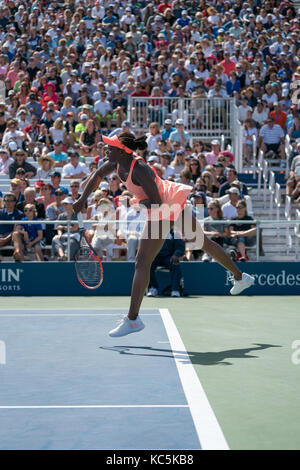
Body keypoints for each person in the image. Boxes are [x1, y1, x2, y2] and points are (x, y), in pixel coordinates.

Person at [73, 132, 255, 337]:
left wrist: (139, 202)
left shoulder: (140, 169)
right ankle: (241, 277)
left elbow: (157, 203)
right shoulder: (115, 163)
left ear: (122, 151)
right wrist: (82, 199)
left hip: (164, 206)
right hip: (171, 200)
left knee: (142, 262)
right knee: (203, 242)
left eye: (111, 147)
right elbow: (97, 175)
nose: (106, 149)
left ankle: (132, 320)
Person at [147, 228, 185, 298]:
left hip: (168, 257)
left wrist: (176, 255)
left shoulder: (175, 233)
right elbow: (147, 246)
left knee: (175, 264)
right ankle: (153, 288)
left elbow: (180, 247)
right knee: (148, 264)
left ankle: (175, 290)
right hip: (155, 256)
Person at [51, 197, 80, 261]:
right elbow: (59, 228)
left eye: (66, 204)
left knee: (71, 241)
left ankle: (66, 256)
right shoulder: (61, 216)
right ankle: (62, 256)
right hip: (65, 235)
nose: (64, 205)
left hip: (74, 236)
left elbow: (75, 228)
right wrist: (59, 234)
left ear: (72, 204)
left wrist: (63, 227)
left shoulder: (77, 215)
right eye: (64, 204)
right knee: (55, 239)